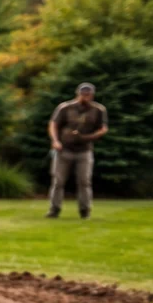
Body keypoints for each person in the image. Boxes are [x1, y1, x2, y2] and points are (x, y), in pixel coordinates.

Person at [46, 83, 108, 219]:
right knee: (58, 181)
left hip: (84, 150)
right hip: (64, 149)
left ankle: (85, 211)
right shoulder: (65, 108)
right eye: (82, 94)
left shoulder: (98, 110)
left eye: (88, 94)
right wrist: (55, 141)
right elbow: (53, 124)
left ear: (92, 95)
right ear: (77, 94)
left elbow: (103, 128)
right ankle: (54, 209)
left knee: (84, 181)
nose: (85, 97)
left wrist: (89, 137)